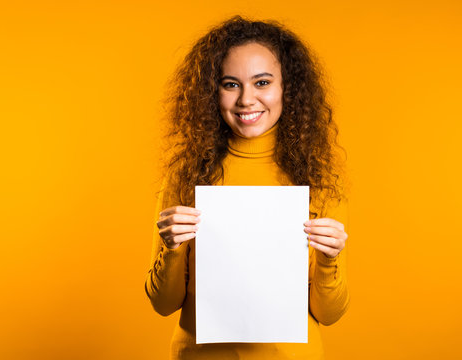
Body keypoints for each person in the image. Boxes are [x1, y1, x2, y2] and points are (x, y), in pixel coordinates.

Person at [145, 15, 350, 360]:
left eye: (262, 82)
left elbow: (329, 315)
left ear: (288, 87)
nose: (246, 100)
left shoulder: (319, 179)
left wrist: (330, 259)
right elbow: (163, 305)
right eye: (231, 84)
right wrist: (173, 248)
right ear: (213, 91)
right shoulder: (186, 176)